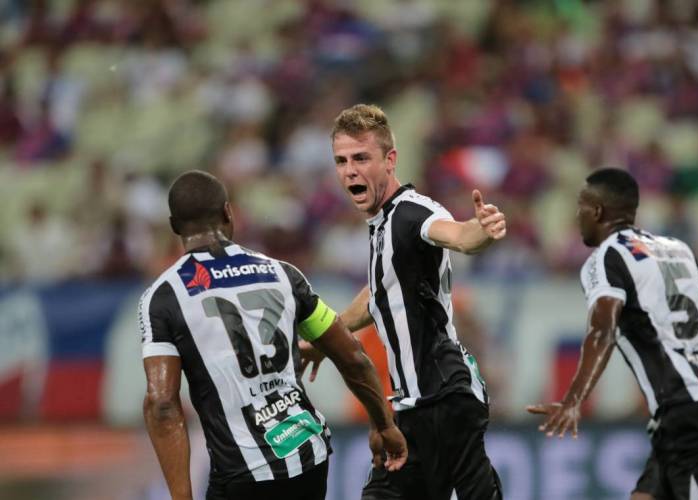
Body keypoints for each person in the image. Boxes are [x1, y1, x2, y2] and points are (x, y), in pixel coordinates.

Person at [139, 170, 407, 500]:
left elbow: (162, 404)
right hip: (308, 455)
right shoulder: (283, 274)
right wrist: (384, 425)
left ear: (174, 226)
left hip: (242, 473)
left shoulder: (164, 297)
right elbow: (351, 354)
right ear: (228, 212)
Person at [302, 104, 505, 500]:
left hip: (443, 398)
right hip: (415, 407)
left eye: (361, 158)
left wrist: (480, 231)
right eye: (341, 161)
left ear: (390, 159)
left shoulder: (413, 213)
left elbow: (456, 235)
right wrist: (327, 339)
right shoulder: (383, 225)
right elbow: (379, 291)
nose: (350, 170)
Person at [527, 168, 698, 500]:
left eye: (581, 207)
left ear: (597, 211)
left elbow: (602, 330)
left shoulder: (605, 258)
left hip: (685, 411)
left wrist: (573, 400)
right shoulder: (677, 250)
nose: (577, 217)